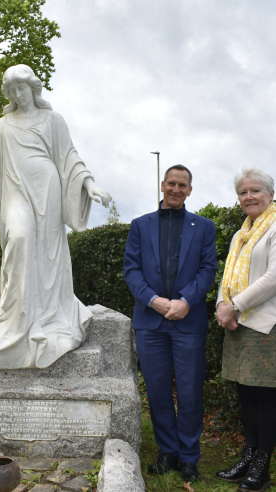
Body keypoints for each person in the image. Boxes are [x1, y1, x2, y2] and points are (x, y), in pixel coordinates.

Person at [0, 64, 110, 370]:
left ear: (33, 88)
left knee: (48, 255)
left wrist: (89, 184)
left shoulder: (53, 120)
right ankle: (16, 320)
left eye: (22, 89)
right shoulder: (2, 125)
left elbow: (69, 157)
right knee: (20, 240)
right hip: (15, 193)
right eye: (11, 91)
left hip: (48, 190)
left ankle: (47, 315)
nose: (17, 95)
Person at [123, 165, 217, 482]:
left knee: (190, 392)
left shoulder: (204, 227)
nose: (176, 189)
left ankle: (189, 457)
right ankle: (168, 452)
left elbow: (207, 270)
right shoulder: (139, 225)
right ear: (162, 185)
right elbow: (131, 270)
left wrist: (185, 302)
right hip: (150, 323)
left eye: (183, 185)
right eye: (172, 183)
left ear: (190, 190)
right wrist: (154, 300)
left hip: (188, 321)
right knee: (158, 390)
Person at [215, 167, 276, 492]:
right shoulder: (242, 234)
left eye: (255, 191)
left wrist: (233, 305)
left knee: (265, 397)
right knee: (245, 394)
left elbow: (273, 277)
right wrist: (223, 309)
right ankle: (249, 455)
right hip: (238, 324)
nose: (248, 197)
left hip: (266, 326)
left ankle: (262, 465)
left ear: (270, 194)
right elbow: (228, 280)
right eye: (243, 192)